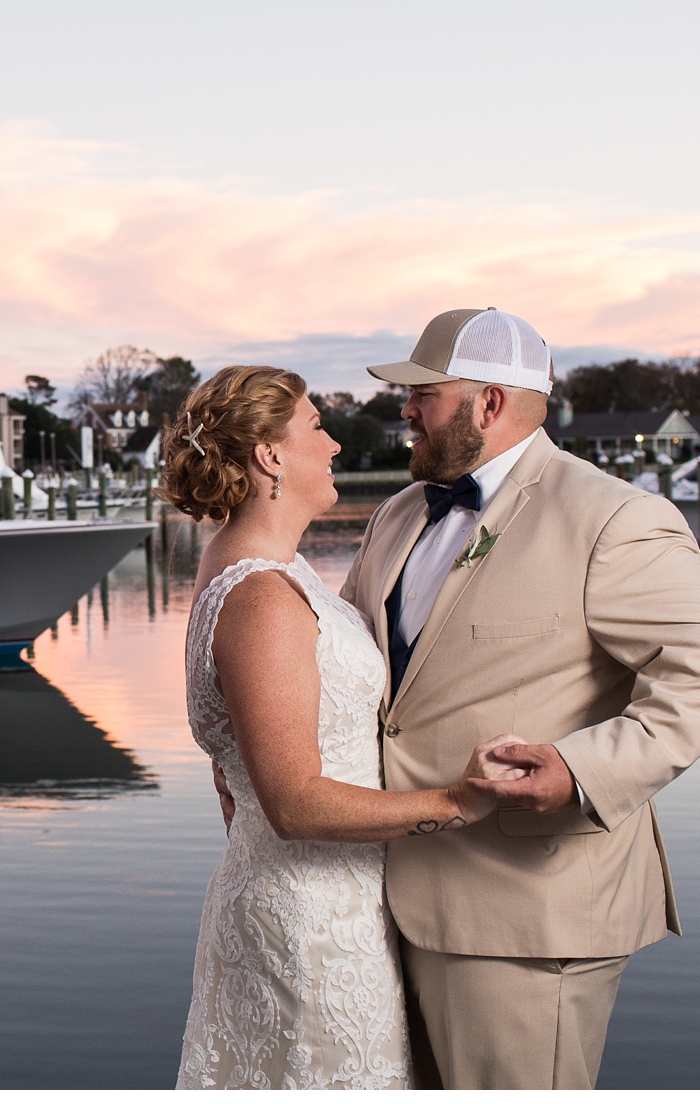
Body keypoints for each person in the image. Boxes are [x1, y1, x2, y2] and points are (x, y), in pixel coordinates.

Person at [338, 307, 700, 1089]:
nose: (405, 410)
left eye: (423, 394)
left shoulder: (612, 517)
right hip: (385, 900)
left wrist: (581, 768)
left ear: (490, 403)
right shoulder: (399, 515)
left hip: (528, 908)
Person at [166, 364, 524, 1090]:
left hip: (327, 900)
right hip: (309, 920)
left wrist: (237, 756)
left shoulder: (258, 563)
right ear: (270, 455)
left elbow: (260, 723)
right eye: (317, 427)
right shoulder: (262, 594)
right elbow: (295, 803)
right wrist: (454, 802)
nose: (333, 446)